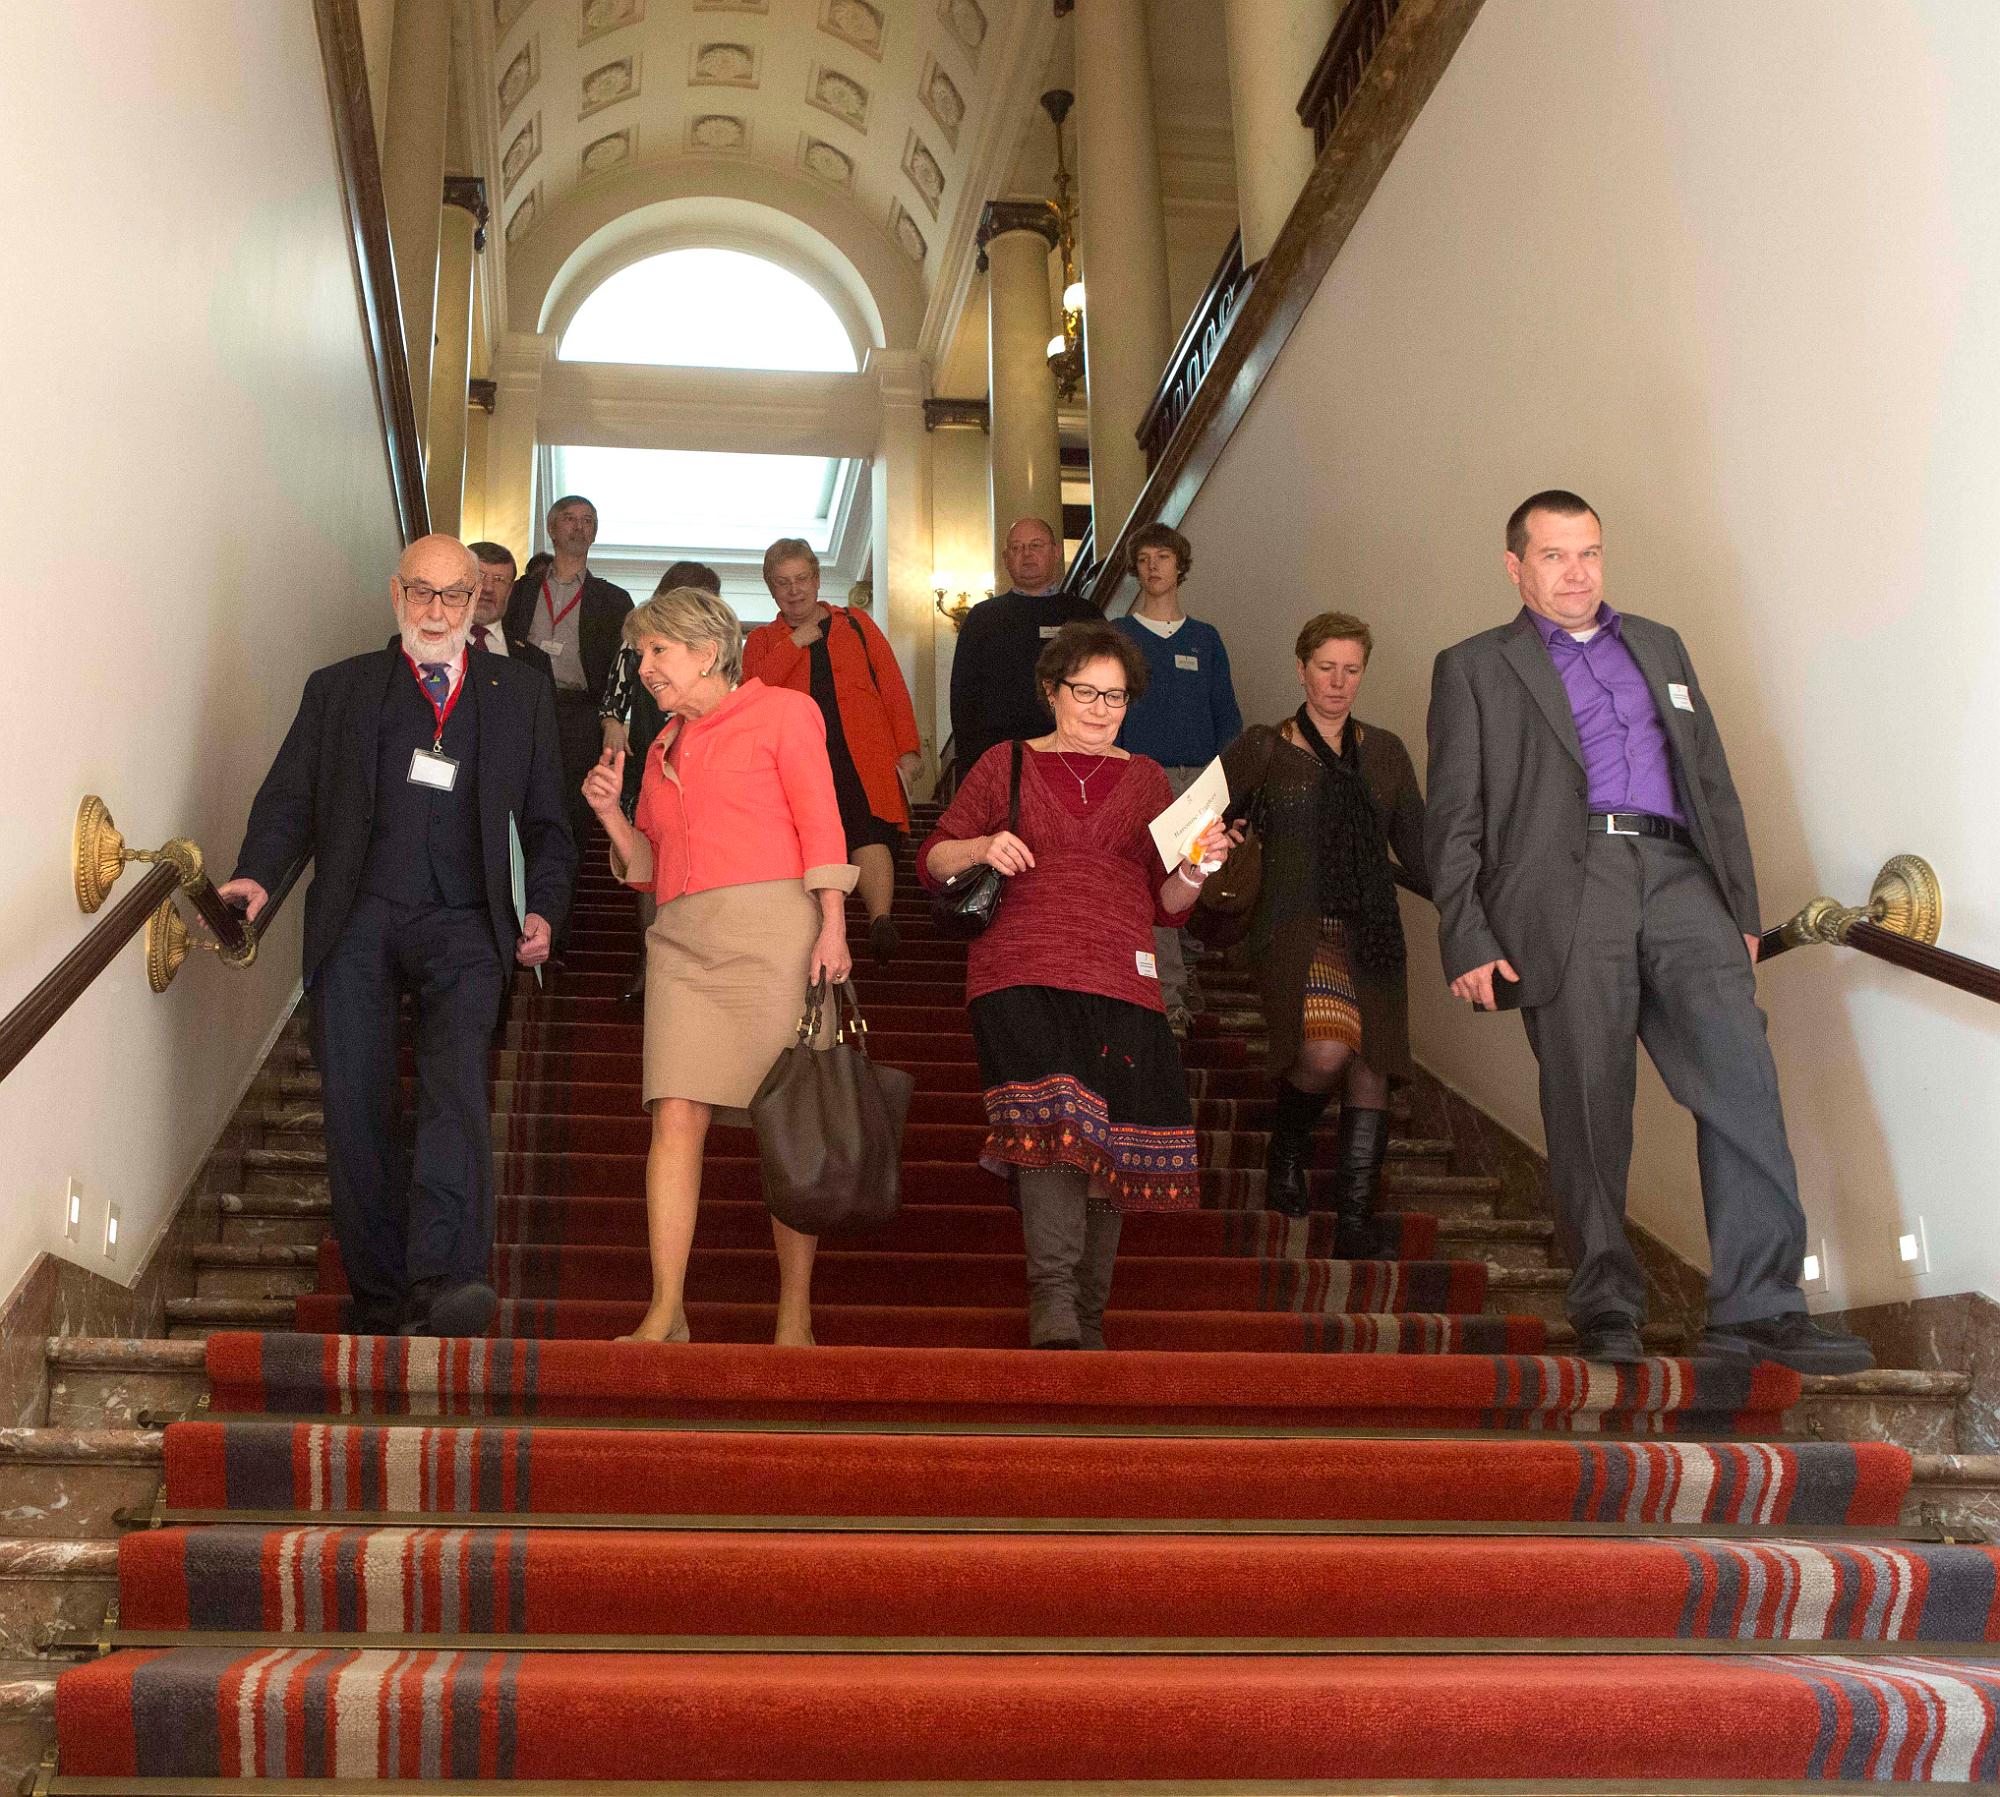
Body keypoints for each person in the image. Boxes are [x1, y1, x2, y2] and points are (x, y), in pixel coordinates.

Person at [1424, 489, 1873, 1373]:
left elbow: (1712, 779)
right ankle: (1606, 1302)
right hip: (1567, 889)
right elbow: (1454, 815)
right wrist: (1466, 932)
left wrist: (1739, 909)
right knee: (1590, 1102)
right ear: (1516, 567)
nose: (1577, 571)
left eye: (1589, 551)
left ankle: (1760, 1304)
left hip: (1678, 879)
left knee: (1740, 1077)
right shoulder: (1475, 666)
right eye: (1554, 556)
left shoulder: (1659, 645)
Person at [218, 535, 574, 1337]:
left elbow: (550, 825)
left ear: (479, 602)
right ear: (396, 595)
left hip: (467, 921)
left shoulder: (516, 694)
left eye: (457, 595)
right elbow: (290, 800)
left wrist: (544, 910)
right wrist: (257, 874)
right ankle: (379, 1289)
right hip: (360, 917)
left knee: (454, 1085)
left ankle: (448, 1278)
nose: (439, 610)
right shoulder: (340, 690)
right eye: (424, 593)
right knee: (354, 1097)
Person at [920, 620, 1237, 1349]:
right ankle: (1055, 1303)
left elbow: (1167, 901)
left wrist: (1199, 866)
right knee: (1055, 1128)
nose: (1100, 708)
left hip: (1124, 977)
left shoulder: (1149, 777)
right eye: (1085, 691)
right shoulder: (1005, 764)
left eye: (1116, 697)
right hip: (1019, 968)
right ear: (1051, 691)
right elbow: (934, 858)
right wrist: (982, 845)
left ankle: (1087, 1313)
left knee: (1110, 1144)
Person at [581, 586, 856, 1346]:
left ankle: (794, 1310)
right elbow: (644, 863)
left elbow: (821, 819)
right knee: (673, 1113)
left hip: (775, 935)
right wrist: (609, 810)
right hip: (680, 943)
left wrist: (833, 926)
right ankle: (666, 1309)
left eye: (656, 651)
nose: (643, 668)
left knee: (786, 1124)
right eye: (640, 654)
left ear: (707, 650)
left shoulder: (782, 712)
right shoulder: (664, 742)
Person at [1216, 613, 1428, 1256]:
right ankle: (1288, 1146)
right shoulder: (1263, 746)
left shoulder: (1385, 751)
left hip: (1373, 927)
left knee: (1374, 1065)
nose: (1338, 682)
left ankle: (1356, 1220)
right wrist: (1218, 842)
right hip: (1292, 926)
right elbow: (1193, 826)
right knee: (1327, 1051)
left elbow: (1422, 852)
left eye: (1352, 669)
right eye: (1326, 667)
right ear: (1301, 668)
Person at [743, 537, 923, 965]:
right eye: (783, 582)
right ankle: (821, 927)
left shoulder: (857, 623)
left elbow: (892, 686)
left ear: (817, 579)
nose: (794, 589)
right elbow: (752, 694)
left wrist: (909, 749)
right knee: (807, 838)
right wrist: (795, 643)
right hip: (796, 760)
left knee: (870, 828)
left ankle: (881, 920)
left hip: (864, 752)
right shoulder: (763, 640)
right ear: (771, 588)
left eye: (802, 578)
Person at [1113, 521, 1243, 1033]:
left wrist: (1226, 788)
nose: (1153, 566)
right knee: (1158, 886)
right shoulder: (1119, 635)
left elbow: (1227, 715)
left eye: (1163, 556)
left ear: (1179, 565)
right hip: (1141, 778)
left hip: (1202, 782)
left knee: (1200, 882)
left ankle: (1185, 977)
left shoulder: (1205, 639)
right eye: (1144, 557)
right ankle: (1168, 1000)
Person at [501, 495, 633, 941]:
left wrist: (613, 717)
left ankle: (554, 928)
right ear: (552, 529)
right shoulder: (518, 592)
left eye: (588, 521)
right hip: (517, 711)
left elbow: (624, 664)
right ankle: (506, 918)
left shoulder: (614, 599)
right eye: (569, 519)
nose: (578, 527)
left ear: (594, 534)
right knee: (509, 809)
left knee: (568, 818)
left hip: (578, 716)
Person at [600, 560, 723, 1002]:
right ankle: (651, 961)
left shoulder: (719, 652)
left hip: (708, 768)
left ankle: (698, 960)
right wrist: (614, 726)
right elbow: (614, 699)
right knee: (650, 861)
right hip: (653, 762)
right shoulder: (638, 645)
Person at [947, 516, 1095, 778]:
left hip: (1073, 758)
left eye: (1036, 545)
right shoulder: (982, 617)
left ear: (1055, 552)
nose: (1026, 554)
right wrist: (973, 763)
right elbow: (963, 697)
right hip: (1000, 761)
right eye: (1017, 548)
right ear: (1006, 558)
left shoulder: (1085, 616)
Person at [466, 541, 552, 681]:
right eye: (479, 576)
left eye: (499, 579)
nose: (488, 588)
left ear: (510, 590)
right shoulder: (431, 646)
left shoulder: (535, 661)